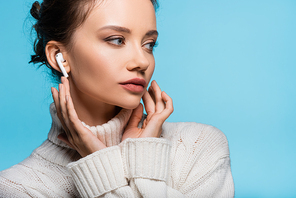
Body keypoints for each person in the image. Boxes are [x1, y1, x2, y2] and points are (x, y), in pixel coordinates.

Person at [0, 0, 235, 197]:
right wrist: (98, 162)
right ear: (59, 56)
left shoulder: (199, 147)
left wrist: (139, 155)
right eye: (116, 40)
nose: (142, 62)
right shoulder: (22, 188)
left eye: (148, 44)